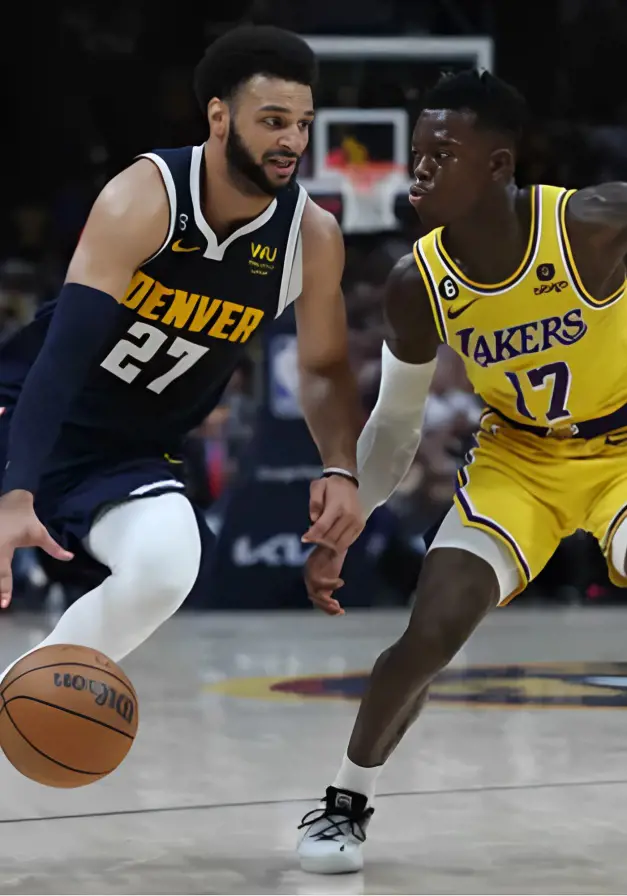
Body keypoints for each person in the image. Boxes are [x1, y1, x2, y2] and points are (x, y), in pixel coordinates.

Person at [297, 68, 627, 873]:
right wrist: (350, 517)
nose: (418, 171)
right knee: (428, 633)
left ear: (499, 165)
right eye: (417, 153)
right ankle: (342, 805)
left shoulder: (593, 221)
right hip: (520, 463)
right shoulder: (419, 284)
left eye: (443, 154)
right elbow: (397, 423)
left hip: (621, 452)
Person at [0, 25, 365, 670]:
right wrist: (15, 492)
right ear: (219, 118)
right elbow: (62, 356)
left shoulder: (311, 235)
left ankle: (25, 700)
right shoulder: (146, 196)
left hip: (127, 456)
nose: (293, 142)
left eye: (304, 124)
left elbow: (322, 368)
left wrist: (339, 466)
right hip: (22, 416)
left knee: (169, 566)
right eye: (274, 121)